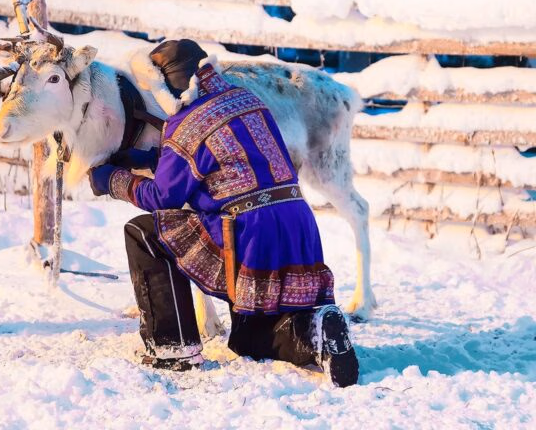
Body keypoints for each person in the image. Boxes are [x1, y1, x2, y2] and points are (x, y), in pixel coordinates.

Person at [89, 39, 359, 387]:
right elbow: (225, 160)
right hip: (296, 224)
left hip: (247, 232)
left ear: (166, 87)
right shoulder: (248, 101)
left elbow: (163, 196)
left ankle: (173, 347)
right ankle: (314, 330)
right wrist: (145, 160)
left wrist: (112, 179)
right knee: (247, 339)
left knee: (144, 234)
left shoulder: (186, 123)